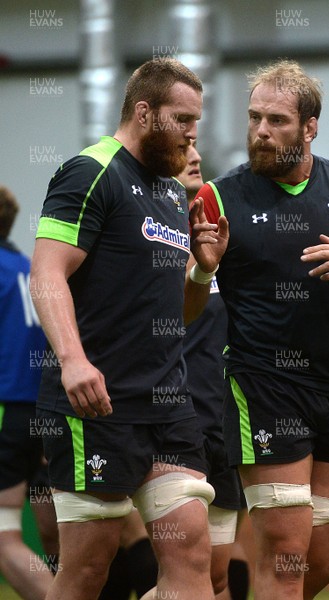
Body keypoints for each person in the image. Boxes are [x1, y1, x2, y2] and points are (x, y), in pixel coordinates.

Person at [188, 59, 329, 599]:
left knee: (321, 564)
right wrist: (203, 268)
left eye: (277, 121)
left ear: (310, 126)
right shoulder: (217, 199)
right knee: (286, 557)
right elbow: (183, 312)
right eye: (254, 118)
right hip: (264, 386)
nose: (261, 131)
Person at [30, 58, 228, 600]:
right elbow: (46, 272)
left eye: (197, 121)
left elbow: (181, 313)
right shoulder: (91, 171)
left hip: (167, 406)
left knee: (191, 554)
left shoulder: (170, 192)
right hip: (96, 406)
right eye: (182, 119)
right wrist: (72, 359)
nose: (193, 134)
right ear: (144, 112)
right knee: (88, 573)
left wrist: (203, 269)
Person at [140, 141, 249, 600]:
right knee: (185, 571)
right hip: (165, 421)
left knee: (215, 578)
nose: (196, 155)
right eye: (181, 146)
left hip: (222, 424)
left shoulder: (226, 239)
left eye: (196, 145)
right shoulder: (141, 240)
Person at [0, 185, 57, 600]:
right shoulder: (25, 267)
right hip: (44, 413)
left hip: (8, 409)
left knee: (2, 537)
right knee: (53, 538)